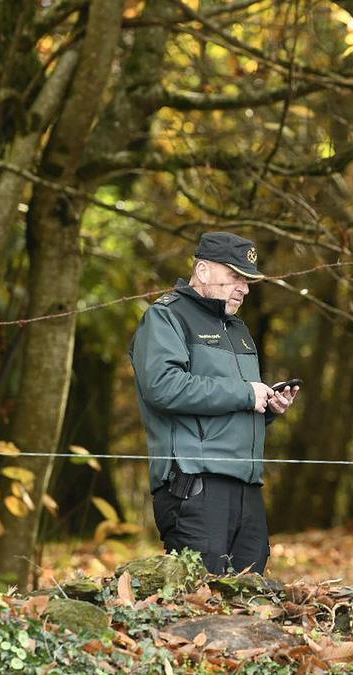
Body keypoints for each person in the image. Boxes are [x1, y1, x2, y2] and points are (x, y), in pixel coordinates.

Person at [130, 232, 298, 574]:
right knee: (201, 596)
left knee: (250, 597)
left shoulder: (238, 329)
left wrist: (266, 406)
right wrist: (246, 393)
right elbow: (162, 387)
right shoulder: (166, 317)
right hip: (195, 486)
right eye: (235, 276)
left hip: (247, 488)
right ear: (203, 271)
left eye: (247, 281)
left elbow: (226, 405)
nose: (244, 289)